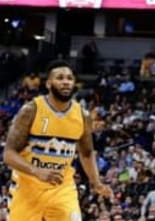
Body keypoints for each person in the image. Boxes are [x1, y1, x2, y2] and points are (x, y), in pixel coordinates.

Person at [2, 60, 113, 220]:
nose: (66, 82)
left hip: (62, 188)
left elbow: (87, 153)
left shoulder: (82, 115)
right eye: (60, 78)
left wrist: (96, 183)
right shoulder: (31, 110)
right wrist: (37, 171)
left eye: (69, 78)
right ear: (48, 83)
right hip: (27, 190)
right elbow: (9, 154)